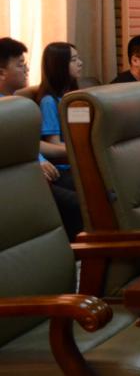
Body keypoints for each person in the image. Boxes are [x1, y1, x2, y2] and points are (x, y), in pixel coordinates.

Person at [0, 38, 83, 239]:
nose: (27, 69)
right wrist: (37, 161)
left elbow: (26, 143)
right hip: (23, 180)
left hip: (40, 173)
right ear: (1, 73)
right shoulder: (9, 109)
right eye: (20, 65)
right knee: (81, 204)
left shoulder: (15, 104)